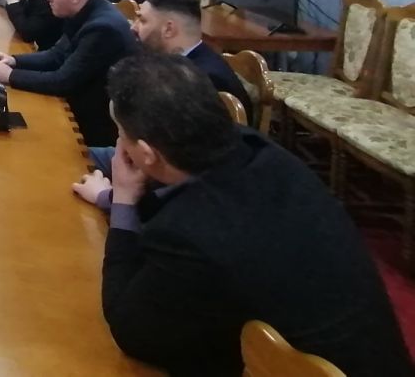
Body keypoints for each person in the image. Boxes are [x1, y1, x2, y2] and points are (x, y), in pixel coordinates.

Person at [100, 53, 413, 377]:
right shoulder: (253, 148)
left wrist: (123, 198)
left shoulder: (191, 234)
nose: (119, 144)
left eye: (121, 134)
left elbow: (130, 331)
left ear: (147, 154)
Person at [74, 0, 255, 204]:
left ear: (168, 29)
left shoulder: (203, 81)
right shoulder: (178, 65)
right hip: (139, 162)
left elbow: (179, 176)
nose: (133, 27)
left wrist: (107, 197)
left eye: (142, 20)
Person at [0, 0, 135, 146]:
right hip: (80, 105)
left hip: (94, 126)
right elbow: (55, 55)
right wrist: (14, 60)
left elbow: (63, 81)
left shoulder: (102, 28)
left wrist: (11, 76)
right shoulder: (84, 12)